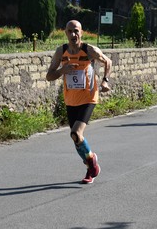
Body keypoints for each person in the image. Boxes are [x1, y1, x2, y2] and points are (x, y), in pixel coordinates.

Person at [46, 20, 112, 184]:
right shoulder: (61, 52)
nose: (73, 34)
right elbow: (49, 76)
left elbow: (108, 61)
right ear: (66, 33)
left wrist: (105, 81)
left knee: (76, 133)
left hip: (89, 97)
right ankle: (91, 164)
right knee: (76, 139)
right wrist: (62, 70)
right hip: (71, 99)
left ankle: (92, 164)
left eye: (76, 31)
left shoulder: (89, 50)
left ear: (81, 32)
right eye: (70, 31)